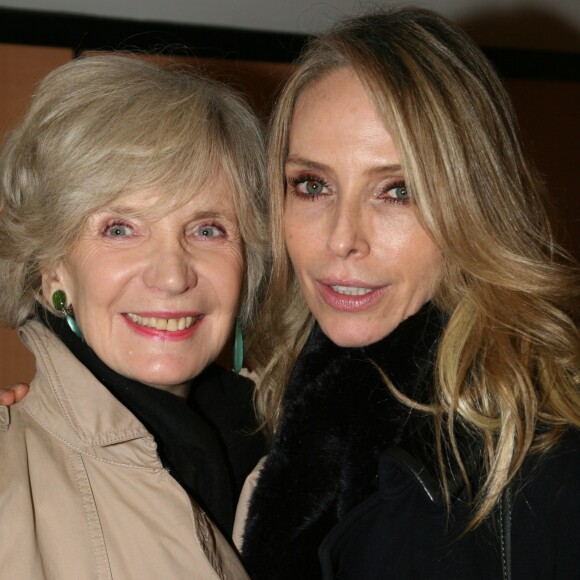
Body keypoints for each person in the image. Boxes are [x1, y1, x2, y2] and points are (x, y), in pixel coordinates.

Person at [236, 7, 580, 579]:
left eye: (397, 190)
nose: (341, 239)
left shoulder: (547, 462)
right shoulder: (279, 406)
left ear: (474, 204)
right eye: (312, 185)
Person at [0, 54, 268, 578]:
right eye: (120, 228)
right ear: (53, 267)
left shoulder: (314, 460)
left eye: (208, 229)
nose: (172, 276)